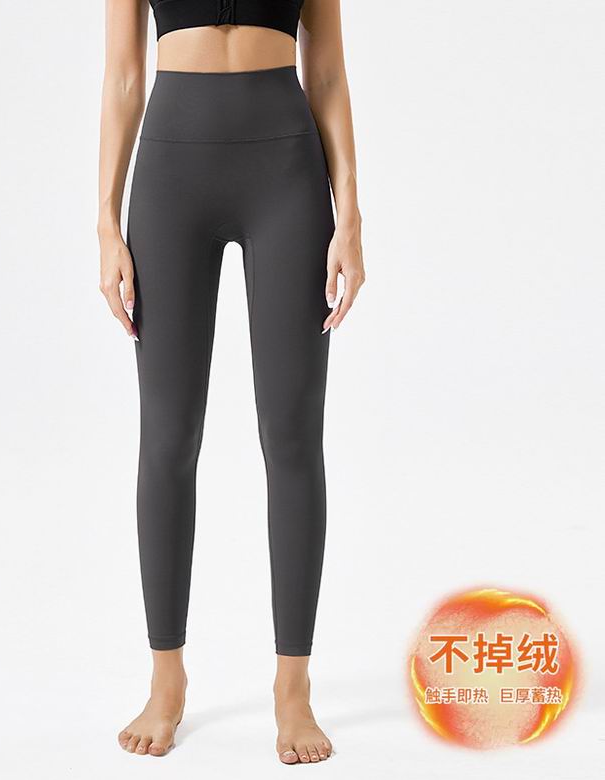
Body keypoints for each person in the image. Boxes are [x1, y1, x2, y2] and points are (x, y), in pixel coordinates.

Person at [97, 0, 364, 764]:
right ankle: (166, 679)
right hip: (170, 175)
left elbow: (327, 72)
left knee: (292, 434)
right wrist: (107, 223)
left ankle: (293, 687)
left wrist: (349, 217)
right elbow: (124, 76)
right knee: (167, 436)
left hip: (285, 172)